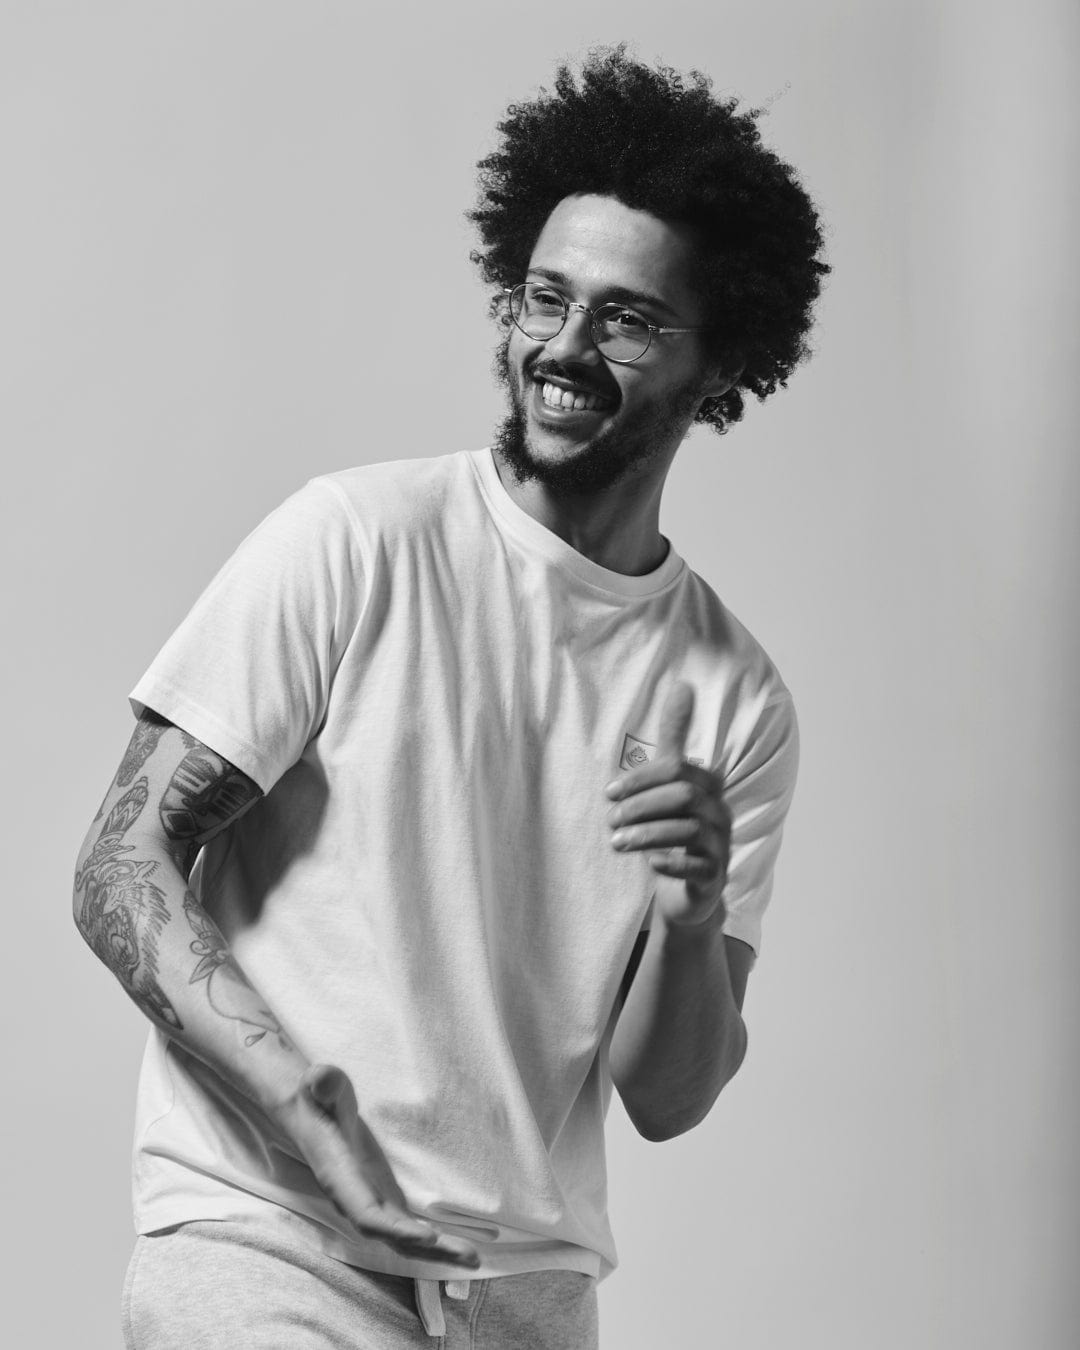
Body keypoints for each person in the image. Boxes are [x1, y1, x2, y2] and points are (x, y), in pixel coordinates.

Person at [74, 46, 827, 1349]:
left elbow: (668, 1093)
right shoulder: (352, 543)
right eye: (545, 297)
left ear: (722, 364)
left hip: (527, 1298)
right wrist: (310, 1110)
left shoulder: (733, 696)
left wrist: (693, 912)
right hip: (271, 1240)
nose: (565, 347)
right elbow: (119, 862)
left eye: (628, 316)